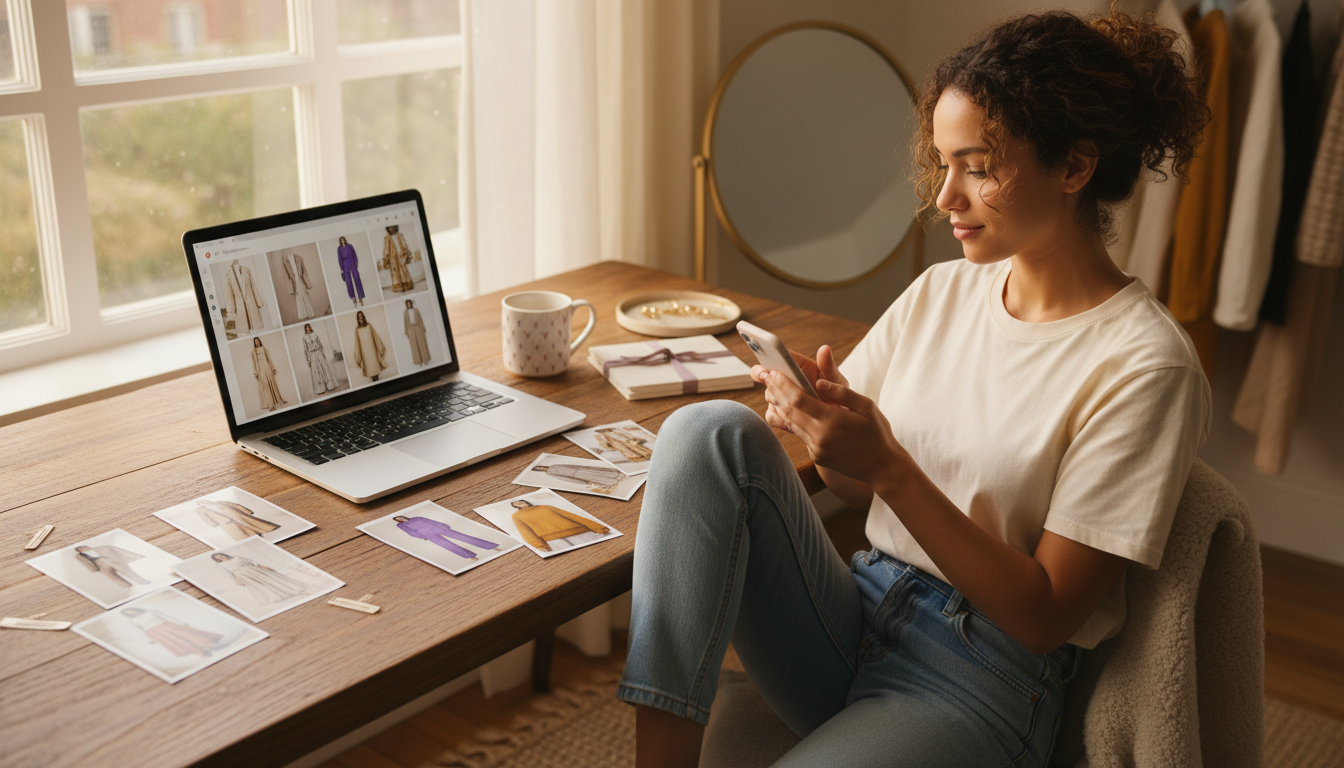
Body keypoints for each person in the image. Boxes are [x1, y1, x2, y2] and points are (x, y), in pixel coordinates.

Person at [618, 10, 1212, 768]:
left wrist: (893, 464)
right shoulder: (943, 293)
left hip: (980, 680)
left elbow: (1044, 615)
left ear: (1074, 167)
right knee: (704, 436)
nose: (945, 198)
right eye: (943, 163)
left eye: (979, 166)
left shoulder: (1144, 365)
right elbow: (848, 487)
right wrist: (831, 430)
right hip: (855, 613)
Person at [252, 337, 287, 412]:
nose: (257, 342)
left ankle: (277, 401)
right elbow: (254, 363)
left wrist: (273, 368)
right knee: (265, 386)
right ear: (254, 343)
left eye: (258, 341)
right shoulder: (253, 352)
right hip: (260, 370)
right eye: (255, 341)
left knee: (273, 384)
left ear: (259, 341)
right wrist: (255, 372)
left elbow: (269, 358)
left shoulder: (264, 349)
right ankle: (270, 404)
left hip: (267, 367)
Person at [352, 310, 386, 382]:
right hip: (364, 351)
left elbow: (375, 336)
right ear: (357, 319)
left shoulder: (369, 326)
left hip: (372, 349)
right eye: (358, 317)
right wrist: (358, 357)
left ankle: (377, 376)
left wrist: (380, 348)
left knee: (374, 362)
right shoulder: (357, 329)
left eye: (361, 316)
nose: (360, 318)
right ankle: (373, 378)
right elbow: (357, 343)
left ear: (363, 317)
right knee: (368, 365)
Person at [337, 236, 365, 308]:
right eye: (341, 240)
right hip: (345, 264)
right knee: (348, 282)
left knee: (357, 279)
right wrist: (342, 270)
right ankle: (354, 299)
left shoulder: (350, 246)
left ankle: (361, 298)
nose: (342, 241)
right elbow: (340, 259)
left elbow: (354, 255)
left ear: (345, 240)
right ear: (340, 241)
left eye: (343, 239)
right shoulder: (339, 249)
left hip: (352, 262)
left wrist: (356, 263)